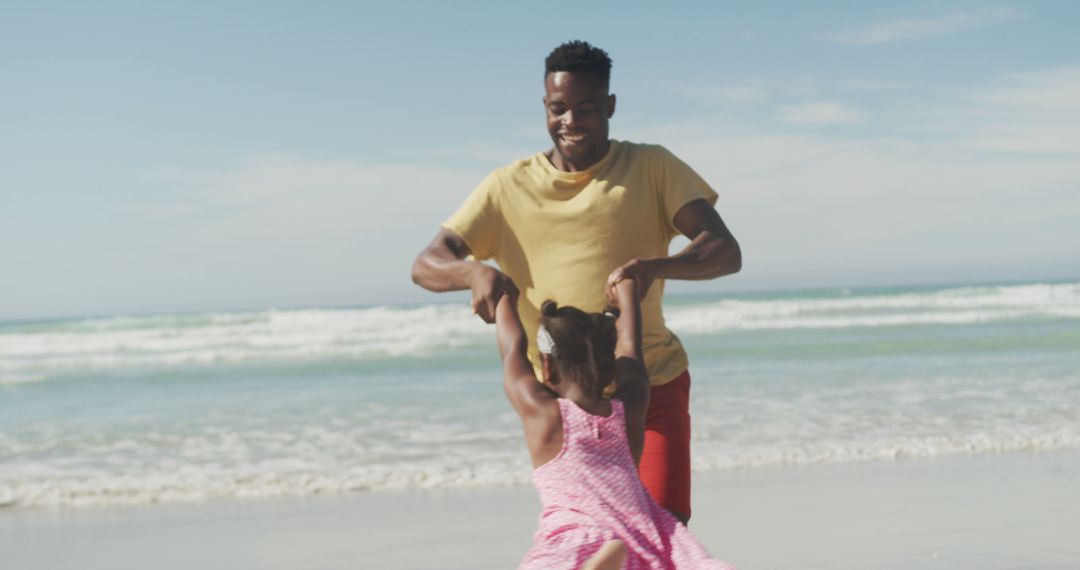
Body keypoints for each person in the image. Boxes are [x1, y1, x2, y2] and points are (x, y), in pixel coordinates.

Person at [412, 40, 741, 523]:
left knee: (663, 529)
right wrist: (471, 271)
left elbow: (723, 250)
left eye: (586, 108)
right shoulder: (506, 186)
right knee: (590, 538)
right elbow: (427, 263)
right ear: (545, 106)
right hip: (565, 401)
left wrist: (655, 267)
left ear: (610, 106)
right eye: (558, 108)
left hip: (653, 382)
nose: (571, 121)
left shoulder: (652, 167)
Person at [495, 277, 734, 569]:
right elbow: (631, 349)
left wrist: (502, 297)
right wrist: (628, 296)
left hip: (575, 533)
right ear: (609, 371)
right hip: (639, 534)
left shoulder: (545, 415)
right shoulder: (629, 410)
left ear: (547, 368)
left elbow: (512, 351)